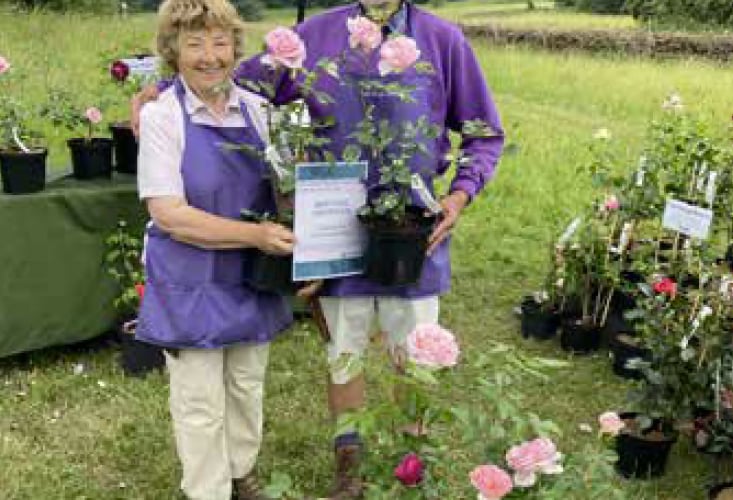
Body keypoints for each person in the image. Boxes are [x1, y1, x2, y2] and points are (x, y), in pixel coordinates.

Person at [132, 1, 503, 497]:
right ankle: (348, 464)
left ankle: (412, 464)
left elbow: (484, 133)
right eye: (195, 45)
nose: (209, 51)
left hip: (415, 232)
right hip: (338, 230)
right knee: (343, 351)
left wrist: (459, 195)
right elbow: (227, 69)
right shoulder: (315, 36)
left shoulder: (444, 41)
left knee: (414, 356)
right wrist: (158, 90)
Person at [134, 1, 295, 499]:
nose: (210, 56)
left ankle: (239, 472)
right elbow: (169, 214)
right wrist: (257, 236)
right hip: (191, 279)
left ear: (235, 49)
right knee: (200, 400)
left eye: (220, 42)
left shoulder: (258, 111)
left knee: (246, 385)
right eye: (195, 42)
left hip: (251, 277)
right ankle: (208, 490)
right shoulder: (164, 117)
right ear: (173, 51)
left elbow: (285, 190)